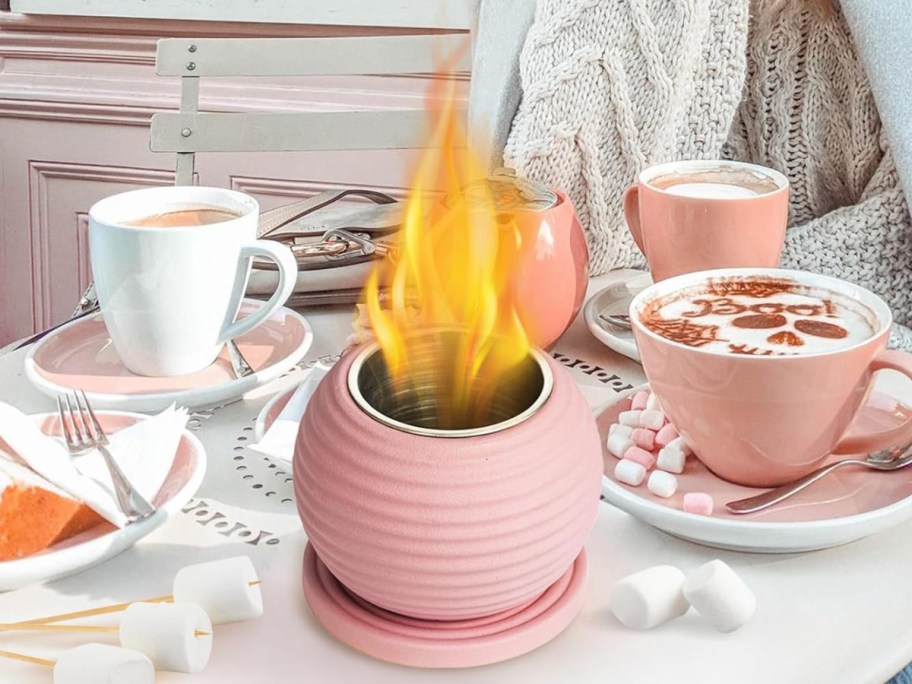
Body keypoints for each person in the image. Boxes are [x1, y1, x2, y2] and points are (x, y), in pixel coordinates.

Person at [469, 0, 912, 350]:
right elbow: (558, 216)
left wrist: (726, 286)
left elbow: (896, 231)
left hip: (822, 339)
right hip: (603, 333)